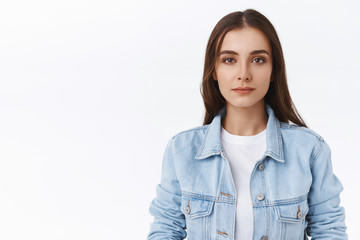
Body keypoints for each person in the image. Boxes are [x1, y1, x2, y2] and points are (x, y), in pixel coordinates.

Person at [147, 9, 347, 240]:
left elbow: (329, 232)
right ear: (214, 70)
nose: (243, 74)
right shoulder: (181, 149)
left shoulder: (309, 150)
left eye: (258, 60)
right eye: (229, 60)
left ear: (273, 71)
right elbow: (165, 231)